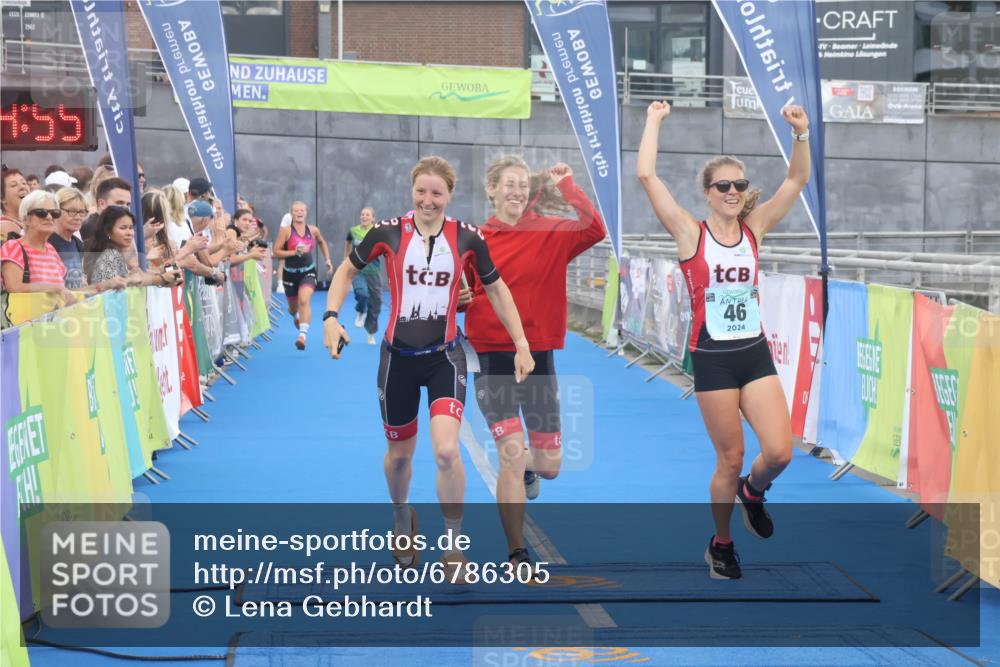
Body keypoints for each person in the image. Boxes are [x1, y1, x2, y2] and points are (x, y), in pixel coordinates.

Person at [322, 156, 534, 580]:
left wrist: (522, 344)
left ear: (450, 195)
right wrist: (330, 317)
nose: (428, 200)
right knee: (400, 458)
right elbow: (347, 270)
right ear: (412, 191)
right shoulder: (386, 233)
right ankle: (403, 519)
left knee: (446, 450)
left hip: (444, 358)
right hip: (396, 361)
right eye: (421, 191)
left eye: (437, 193)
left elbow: (496, 289)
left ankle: (453, 548)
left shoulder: (468, 238)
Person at [637, 100, 810, 580]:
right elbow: (648, 177)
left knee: (779, 453)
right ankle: (722, 543)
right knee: (729, 458)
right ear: (708, 193)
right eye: (723, 186)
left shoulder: (754, 230)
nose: (733, 191)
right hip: (712, 358)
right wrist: (653, 121)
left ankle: (754, 492)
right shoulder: (689, 234)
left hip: (752, 353)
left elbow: (795, 182)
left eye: (739, 185)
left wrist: (800, 134)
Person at [461, 156, 606, 565]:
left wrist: (568, 187)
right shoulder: (476, 239)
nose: (516, 191)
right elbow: (461, 291)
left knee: (551, 467)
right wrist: (459, 300)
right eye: (508, 184)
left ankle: (527, 466)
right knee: (509, 452)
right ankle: (517, 551)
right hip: (491, 355)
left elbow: (595, 227)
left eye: (523, 185)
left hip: (539, 358)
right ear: (491, 189)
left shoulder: (552, 232)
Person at [1, 190, 76, 326]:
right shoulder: (14, 246)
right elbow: (15, 287)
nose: (49, 217)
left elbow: (62, 287)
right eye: (41, 213)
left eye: (54, 213)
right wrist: (53, 288)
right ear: (26, 219)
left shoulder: (51, 250)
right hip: (24, 330)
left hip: (53, 328)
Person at [273, 201, 333, 350]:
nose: (299, 213)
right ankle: (295, 316)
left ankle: (302, 336)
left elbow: (322, 241)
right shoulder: (286, 231)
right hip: (290, 274)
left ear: (306, 213)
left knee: (304, 300)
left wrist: (327, 260)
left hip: (308, 271)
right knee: (293, 308)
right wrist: (295, 252)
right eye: (296, 210)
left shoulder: (313, 230)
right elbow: (276, 252)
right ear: (291, 213)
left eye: (302, 210)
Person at [84, 205, 180, 288]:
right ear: (108, 231)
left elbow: (135, 279)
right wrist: (162, 278)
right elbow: (122, 286)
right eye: (123, 228)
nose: (129, 233)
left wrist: (161, 271)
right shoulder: (110, 254)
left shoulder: (116, 253)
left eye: (131, 228)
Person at [344, 206, 383, 345]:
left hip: (374, 272)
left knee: (376, 302)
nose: (364, 217)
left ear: (373, 218)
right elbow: (348, 243)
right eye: (362, 214)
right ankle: (360, 311)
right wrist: (346, 260)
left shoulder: (378, 232)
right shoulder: (353, 231)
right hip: (357, 270)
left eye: (367, 215)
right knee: (362, 294)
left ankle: (370, 332)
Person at [81, 177, 133, 241]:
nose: (125, 208)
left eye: (128, 204)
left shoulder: (112, 227)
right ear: (102, 204)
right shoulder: (92, 228)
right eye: (119, 203)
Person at [1, 168, 30, 241]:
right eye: (14, 185)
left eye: (24, 183)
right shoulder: (5, 227)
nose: (22, 187)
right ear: (2, 199)